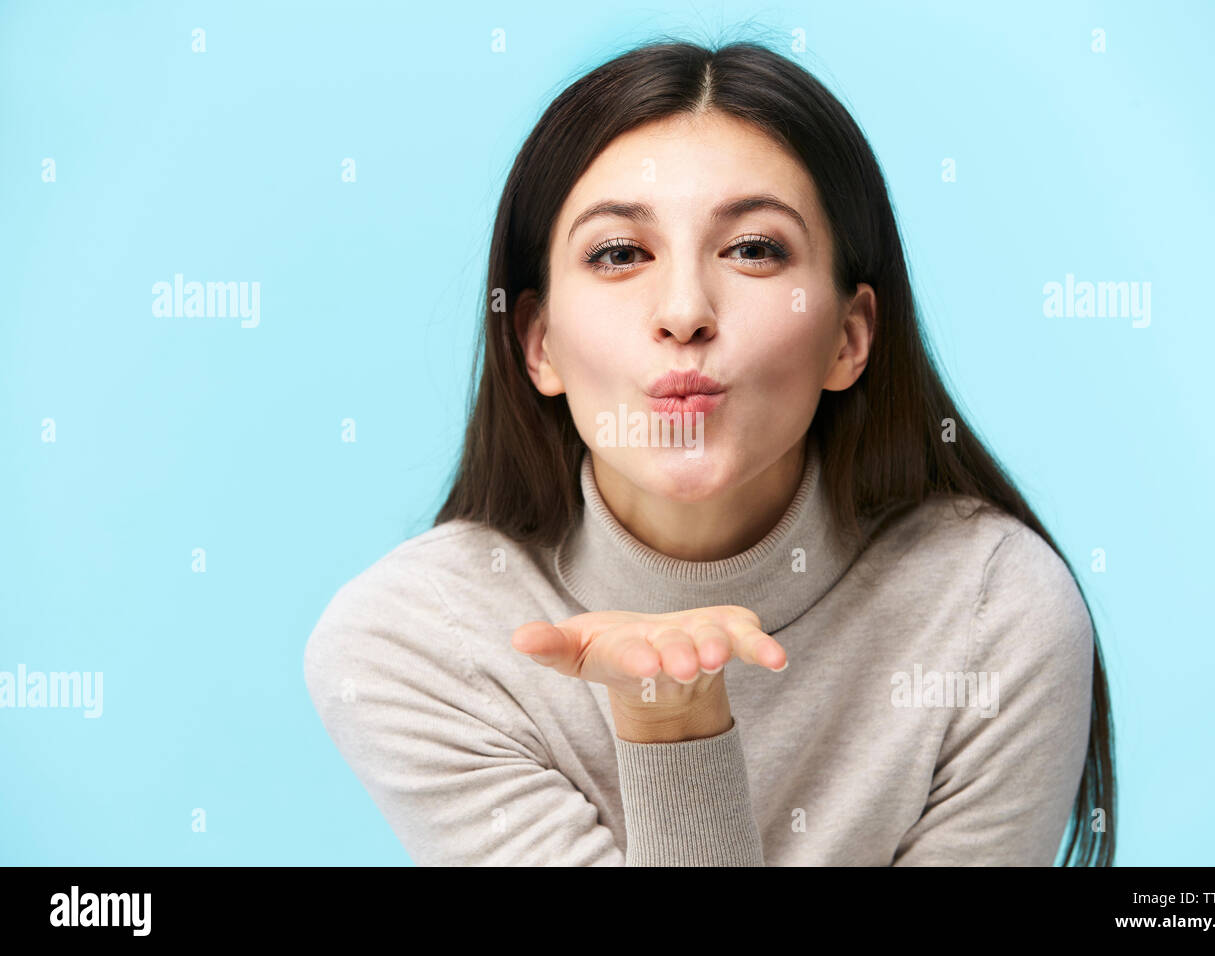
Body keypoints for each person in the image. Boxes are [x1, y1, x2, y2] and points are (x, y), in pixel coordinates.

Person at [303, 39, 1116, 866]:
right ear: (538, 345)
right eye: (619, 253)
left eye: (754, 250)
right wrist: (669, 725)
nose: (685, 311)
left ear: (849, 337)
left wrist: (677, 720)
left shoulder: (990, 613)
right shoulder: (414, 641)